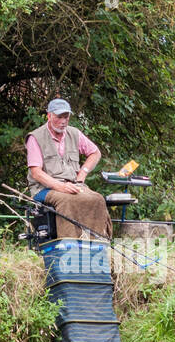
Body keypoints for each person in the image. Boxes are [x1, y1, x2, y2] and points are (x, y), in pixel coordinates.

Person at [25, 99, 113, 241]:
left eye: (66, 117)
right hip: (44, 189)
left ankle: (97, 243)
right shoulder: (36, 137)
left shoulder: (74, 133)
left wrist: (82, 173)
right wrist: (61, 187)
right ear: (49, 116)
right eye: (59, 117)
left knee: (97, 199)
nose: (63, 121)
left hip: (73, 184)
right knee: (67, 201)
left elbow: (95, 153)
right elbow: (36, 172)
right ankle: (68, 244)